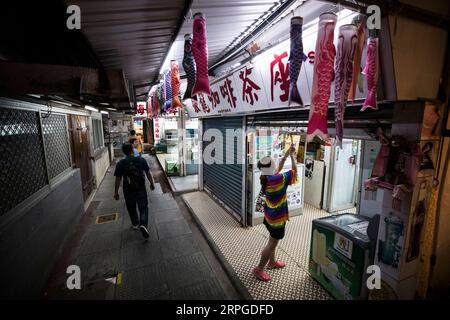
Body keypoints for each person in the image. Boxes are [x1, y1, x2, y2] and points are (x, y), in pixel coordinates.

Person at [253, 145, 298, 281]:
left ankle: (271, 263)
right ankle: (259, 269)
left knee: (272, 240)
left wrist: (285, 155)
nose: (275, 163)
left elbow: (278, 168)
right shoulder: (278, 179)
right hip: (277, 220)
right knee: (272, 243)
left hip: (269, 217)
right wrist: (292, 157)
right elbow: (294, 172)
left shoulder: (266, 177)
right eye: (273, 161)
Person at [114, 143, 155, 239]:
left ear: (124, 152)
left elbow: (118, 179)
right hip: (140, 188)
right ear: (133, 150)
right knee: (143, 207)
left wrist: (116, 192)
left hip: (128, 189)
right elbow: (148, 173)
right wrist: (152, 183)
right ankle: (143, 224)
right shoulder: (141, 160)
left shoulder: (121, 163)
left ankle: (135, 223)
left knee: (131, 207)